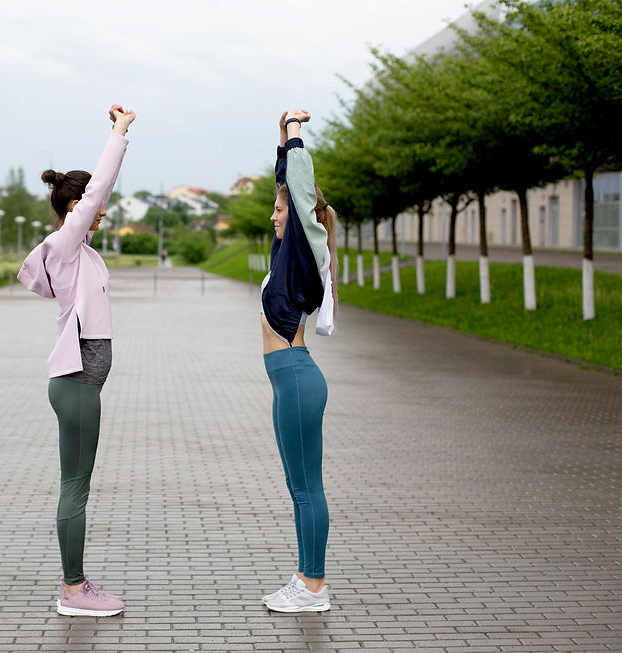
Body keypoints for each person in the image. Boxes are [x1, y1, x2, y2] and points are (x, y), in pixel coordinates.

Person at [17, 104, 136, 617]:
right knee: (76, 488)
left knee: (77, 485)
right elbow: (98, 189)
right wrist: (118, 133)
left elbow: (99, 193)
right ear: (75, 209)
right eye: (92, 207)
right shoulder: (65, 246)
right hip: (76, 381)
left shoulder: (81, 251)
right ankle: (72, 591)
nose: (102, 211)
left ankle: (74, 584)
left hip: (81, 384)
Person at [259, 110, 338, 613]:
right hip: (288, 380)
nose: (273, 215)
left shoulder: (308, 251)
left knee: (307, 489)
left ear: (302, 214)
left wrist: (295, 135)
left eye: (280, 209)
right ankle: (306, 580)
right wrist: (279, 142)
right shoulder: (285, 254)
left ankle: (313, 586)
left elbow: (298, 187)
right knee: (298, 487)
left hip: (296, 375)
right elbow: (286, 181)